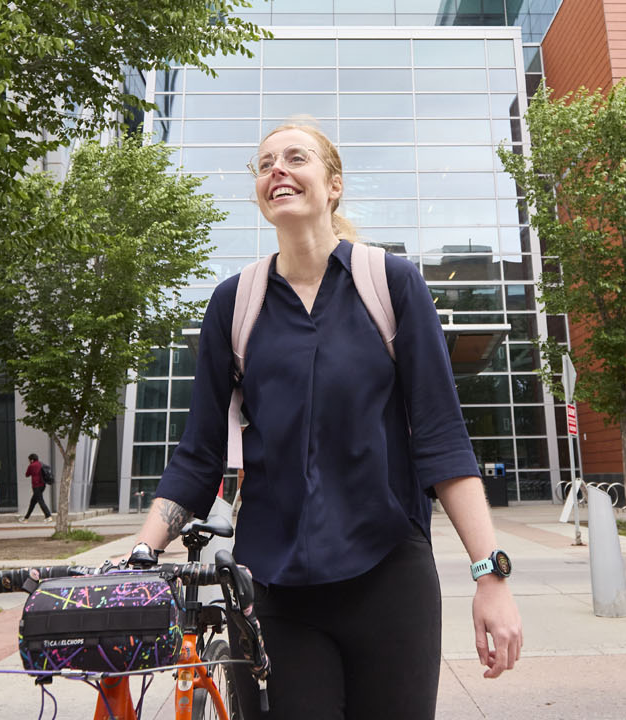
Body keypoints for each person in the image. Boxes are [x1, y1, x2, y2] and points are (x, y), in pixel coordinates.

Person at [130, 120, 523, 720]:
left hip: (389, 577)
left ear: (333, 185)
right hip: (275, 592)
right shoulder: (235, 303)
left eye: (295, 158)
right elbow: (199, 453)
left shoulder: (391, 284)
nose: (276, 170)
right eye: (264, 164)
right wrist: (139, 555)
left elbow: (442, 440)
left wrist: (490, 575)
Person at [23, 453, 52, 520]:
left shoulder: (31, 466)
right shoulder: (41, 464)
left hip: (36, 486)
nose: (29, 461)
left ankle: (48, 516)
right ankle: (26, 518)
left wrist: (30, 466)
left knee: (40, 501)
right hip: (43, 485)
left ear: (32, 460)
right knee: (33, 502)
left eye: (29, 460)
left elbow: (27, 475)